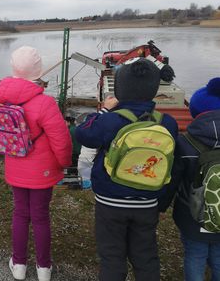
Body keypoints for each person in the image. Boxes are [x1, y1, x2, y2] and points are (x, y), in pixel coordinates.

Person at [75, 59, 178, 281]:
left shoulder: (112, 120)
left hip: (110, 201)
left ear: (119, 90)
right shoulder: (167, 123)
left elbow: (83, 133)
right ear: (153, 89)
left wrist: (103, 111)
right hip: (148, 201)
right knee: (146, 257)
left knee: (112, 257)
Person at [0, 46, 72, 281]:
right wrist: (64, 163)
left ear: (14, 68)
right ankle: (43, 269)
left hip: (15, 166)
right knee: (40, 216)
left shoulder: (1, 97)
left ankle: (18, 265)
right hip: (41, 170)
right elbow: (61, 140)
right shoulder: (45, 103)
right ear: (38, 70)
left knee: (20, 213)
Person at [158, 77, 220, 280]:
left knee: (195, 255)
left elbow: (173, 179)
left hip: (192, 214)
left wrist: (160, 206)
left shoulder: (185, 143)